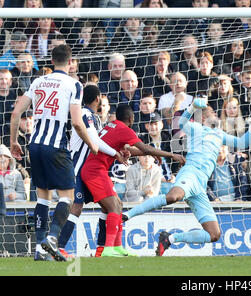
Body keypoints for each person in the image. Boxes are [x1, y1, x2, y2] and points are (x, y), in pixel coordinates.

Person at [122, 98, 251, 256]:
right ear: (203, 117)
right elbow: (181, 123)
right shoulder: (196, 128)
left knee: (214, 234)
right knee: (173, 196)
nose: (215, 114)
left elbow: (243, 142)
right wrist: (192, 106)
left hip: (200, 184)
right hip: (191, 172)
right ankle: (127, 215)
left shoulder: (220, 135)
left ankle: (170, 238)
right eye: (211, 112)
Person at [9, 44, 99, 262]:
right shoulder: (74, 84)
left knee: (43, 196)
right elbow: (77, 123)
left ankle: (40, 250)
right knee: (67, 196)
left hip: (35, 145)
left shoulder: (38, 81)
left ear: (51, 60)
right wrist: (92, 144)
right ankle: (52, 237)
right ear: (70, 62)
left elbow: (16, 113)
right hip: (56, 146)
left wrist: (13, 142)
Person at [81, 104, 185, 257]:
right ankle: (108, 249)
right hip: (94, 172)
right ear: (131, 119)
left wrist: (148, 152)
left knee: (118, 205)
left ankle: (117, 247)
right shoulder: (124, 129)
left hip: (95, 170)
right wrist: (171, 155)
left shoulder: (112, 126)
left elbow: (130, 151)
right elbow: (146, 149)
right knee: (115, 207)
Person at [56, 84, 129, 259]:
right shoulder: (84, 114)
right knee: (76, 207)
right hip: (77, 168)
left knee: (108, 205)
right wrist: (116, 153)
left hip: (90, 171)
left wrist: (123, 148)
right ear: (98, 99)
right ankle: (59, 246)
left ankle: (102, 249)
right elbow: (95, 140)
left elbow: (103, 141)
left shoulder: (95, 118)